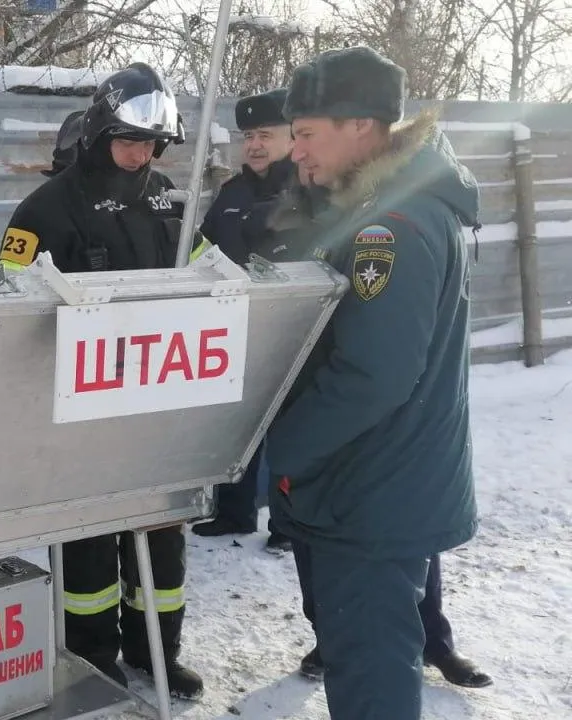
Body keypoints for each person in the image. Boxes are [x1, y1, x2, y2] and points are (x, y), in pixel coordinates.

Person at [264, 46, 481, 720]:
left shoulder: (392, 225)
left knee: (371, 675)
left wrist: (280, 453)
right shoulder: (388, 202)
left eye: (306, 133)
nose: (294, 151)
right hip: (379, 481)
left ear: (360, 125)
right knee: (368, 659)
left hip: (370, 490)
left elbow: (375, 373)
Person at [0, 62, 207, 701]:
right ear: (96, 132)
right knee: (88, 543)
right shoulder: (44, 209)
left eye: (149, 145)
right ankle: (91, 654)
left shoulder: (169, 194)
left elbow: (201, 275)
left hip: (160, 399)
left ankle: (158, 651)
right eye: (127, 141)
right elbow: (7, 311)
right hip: (82, 408)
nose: (139, 155)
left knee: (162, 536)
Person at [191, 87, 296, 552]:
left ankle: (290, 526)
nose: (253, 144)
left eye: (265, 134)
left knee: (293, 430)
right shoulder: (232, 193)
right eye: (248, 135)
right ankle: (234, 513)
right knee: (236, 422)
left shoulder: (308, 189)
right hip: (234, 328)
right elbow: (202, 252)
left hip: (295, 330)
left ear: (294, 136)